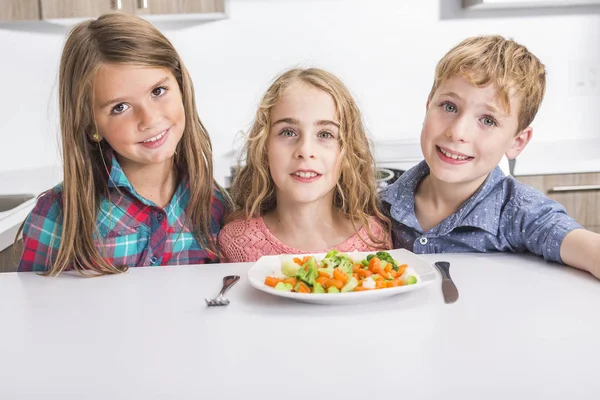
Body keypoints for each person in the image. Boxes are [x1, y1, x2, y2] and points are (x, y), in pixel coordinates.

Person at [17, 13, 229, 275]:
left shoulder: (214, 205)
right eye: (120, 107)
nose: (149, 119)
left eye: (158, 91)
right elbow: (30, 311)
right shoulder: (58, 216)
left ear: (181, 86)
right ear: (92, 126)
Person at [380, 35, 600, 280]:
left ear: (517, 142)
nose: (457, 132)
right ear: (428, 105)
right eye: (449, 107)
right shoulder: (380, 207)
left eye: (488, 120)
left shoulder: (519, 212)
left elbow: (588, 249)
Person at [218, 68, 391, 262]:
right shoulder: (236, 242)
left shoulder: (373, 240)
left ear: (348, 153)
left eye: (325, 134)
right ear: (264, 147)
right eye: (288, 132)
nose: (306, 150)